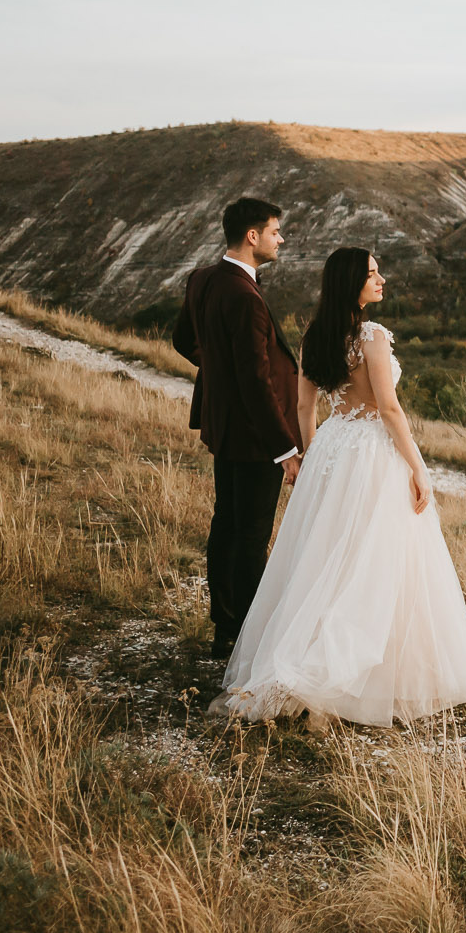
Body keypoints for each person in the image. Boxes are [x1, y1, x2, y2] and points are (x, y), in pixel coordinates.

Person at [211, 246, 466, 727]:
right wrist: (419, 468)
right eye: (373, 274)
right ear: (351, 283)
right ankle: (348, 673)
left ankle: (311, 659)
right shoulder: (373, 336)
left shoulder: (314, 336)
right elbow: (389, 410)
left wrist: (316, 457)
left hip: (333, 449)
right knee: (373, 560)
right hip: (371, 454)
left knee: (323, 559)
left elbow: (304, 410)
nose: (382, 280)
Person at [172, 197, 303, 662]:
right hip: (253, 436)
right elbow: (256, 379)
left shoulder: (202, 280)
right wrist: (285, 447)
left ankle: (226, 628)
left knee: (225, 526)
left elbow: (183, 340)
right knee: (250, 535)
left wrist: (218, 376)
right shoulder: (245, 297)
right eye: (274, 231)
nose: (279, 238)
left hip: (224, 427)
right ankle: (248, 635)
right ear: (252, 236)